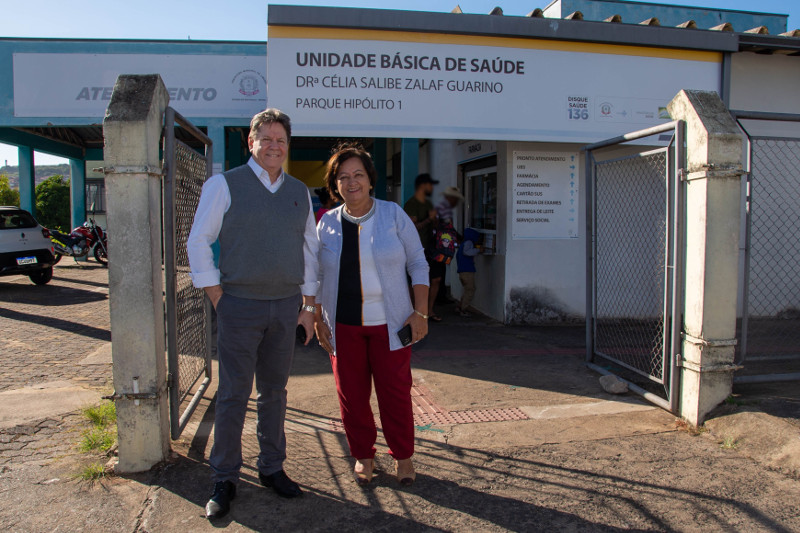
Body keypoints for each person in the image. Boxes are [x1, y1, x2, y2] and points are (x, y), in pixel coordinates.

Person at [187, 108, 319, 520]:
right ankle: (225, 476)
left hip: (285, 307)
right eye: (266, 139)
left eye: (281, 139)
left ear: (287, 144)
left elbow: (310, 250)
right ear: (252, 142)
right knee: (232, 395)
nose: (274, 146)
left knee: (275, 394)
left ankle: (271, 468)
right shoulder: (224, 185)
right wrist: (217, 296)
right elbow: (198, 240)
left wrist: (309, 307)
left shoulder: (300, 191)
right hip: (238, 305)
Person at [315, 143, 429, 487]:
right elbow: (317, 275)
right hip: (344, 326)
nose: (352, 183)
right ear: (335, 185)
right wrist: (319, 317)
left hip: (391, 325)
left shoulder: (393, 215)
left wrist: (420, 312)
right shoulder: (327, 225)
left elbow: (418, 263)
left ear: (370, 180)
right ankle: (364, 455)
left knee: (395, 394)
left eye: (358, 175)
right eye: (343, 177)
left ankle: (403, 457)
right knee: (351, 396)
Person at [404, 173, 444, 322]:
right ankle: (415, 311)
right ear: (423, 185)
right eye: (429, 184)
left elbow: (434, 225)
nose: (432, 187)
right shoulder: (411, 204)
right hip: (414, 249)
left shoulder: (428, 204)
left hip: (430, 248)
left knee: (436, 279)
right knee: (415, 281)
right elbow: (412, 228)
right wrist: (429, 219)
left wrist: (435, 220)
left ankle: (429, 310)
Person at [456, 227, 481, 317]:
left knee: (466, 289)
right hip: (467, 271)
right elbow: (467, 252)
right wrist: (478, 250)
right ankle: (464, 309)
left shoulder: (462, 243)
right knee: (470, 290)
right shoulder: (469, 242)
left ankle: (460, 306)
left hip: (462, 271)